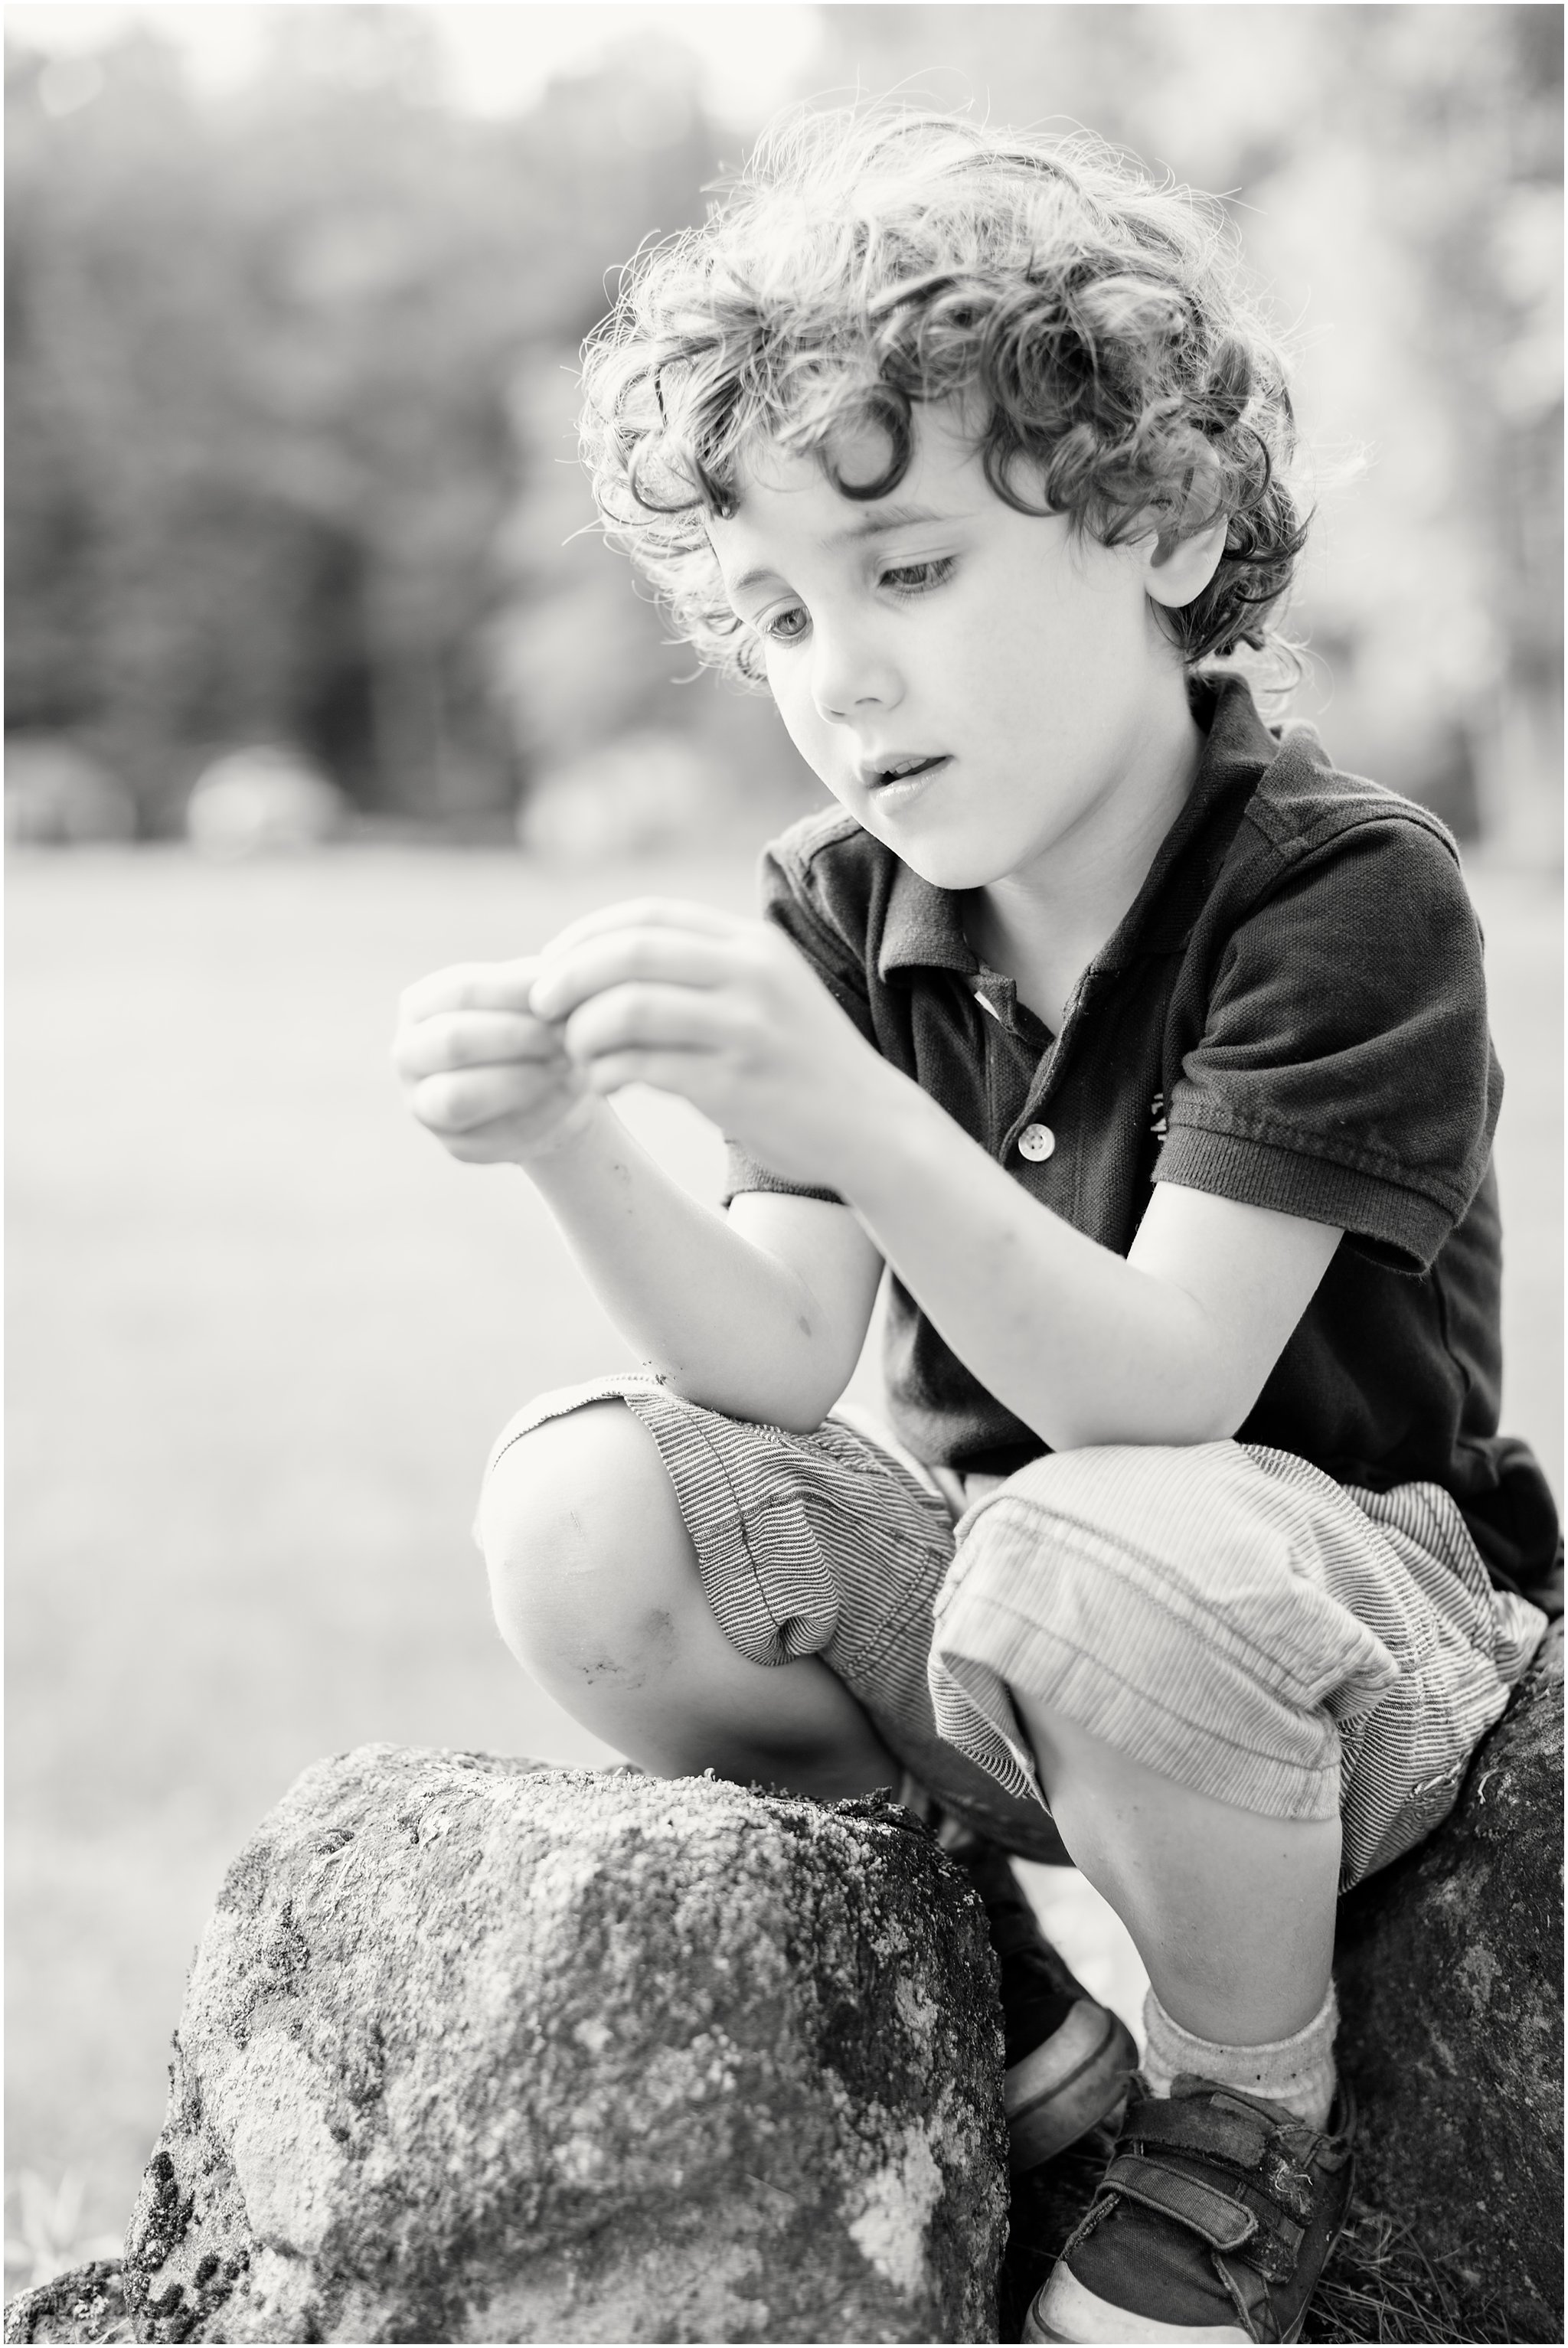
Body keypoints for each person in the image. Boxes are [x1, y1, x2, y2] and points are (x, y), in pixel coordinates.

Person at [393, 109, 1558, 2344]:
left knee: (1103, 1538)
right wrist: (570, 1144)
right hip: (1010, 1618)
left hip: (1335, 1626)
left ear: (1161, 520)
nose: (839, 676)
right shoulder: (849, 913)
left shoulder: (1337, 890)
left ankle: (1240, 2126)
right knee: (591, 1505)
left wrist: (841, 1100)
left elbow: (1165, 1390)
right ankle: (1000, 1995)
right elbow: (773, 1360)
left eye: (907, 572)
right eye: (777, 617)